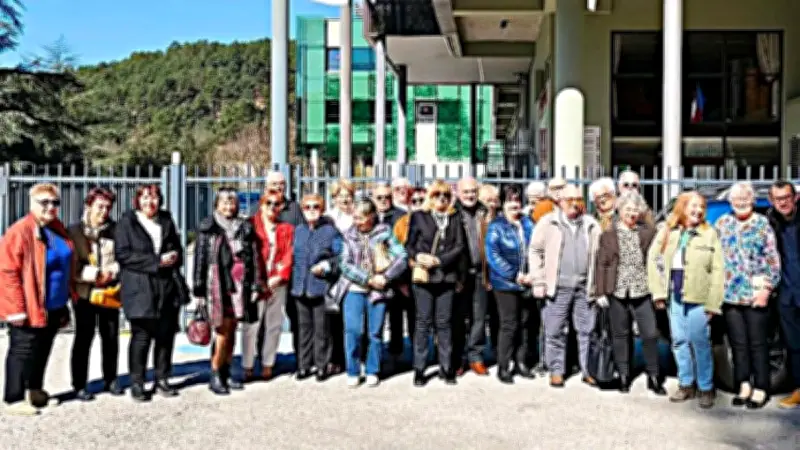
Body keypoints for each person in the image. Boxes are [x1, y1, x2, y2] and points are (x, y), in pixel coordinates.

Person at [0, 183, 75, 416]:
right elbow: (7, 272)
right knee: (22, 350)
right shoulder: (19, 231)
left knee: (43, 348)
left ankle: (34, 389)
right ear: (32, 203)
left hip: (54, 302)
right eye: (44, 202)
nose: (50, 207)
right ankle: (13, 398)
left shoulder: (57, 229)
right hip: (30, 303)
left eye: (55, 203)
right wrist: (16, 309)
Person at [647, 191, 723, 409]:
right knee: (679, 340)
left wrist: (713, 303)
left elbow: (718, 270)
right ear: (682, 207)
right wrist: (658, 292)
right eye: (693, 206)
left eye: (701, 207)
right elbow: (654, 260)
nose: (698, 210)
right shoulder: (668, 232)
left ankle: (706, 387)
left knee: (700, 342)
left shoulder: (709, 234)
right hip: (675, 294)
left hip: (699, 295)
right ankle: (686, 384)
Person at [115, 184, 187, 402]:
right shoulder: (127, 222)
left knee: (165, 337)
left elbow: (177, 247)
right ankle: (137, 382)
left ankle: (162, 378)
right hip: (140, 288)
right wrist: (156, 261)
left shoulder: (165, 220)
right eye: (145, 198)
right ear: (138, 200)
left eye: (154, 197)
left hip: (166, 288)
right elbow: (124, 255)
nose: (150, 202)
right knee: (141, 337)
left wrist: (174, 255)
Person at [715, 182, 781, 409]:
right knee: (738, 344)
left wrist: (767, 289)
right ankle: (743, 385)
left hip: (756, 294)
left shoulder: (762, 224)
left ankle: (761, 387)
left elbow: (772, 259)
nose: (741, 203)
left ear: (753, 201)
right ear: (730, 202)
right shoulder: (723, 223)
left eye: (745, 199)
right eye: (736, 199)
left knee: (758, 343)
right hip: (730, 294)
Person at [329, 199, 407, 387]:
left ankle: (373, 369)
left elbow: (402, 257)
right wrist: (367, 279)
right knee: (353, 330)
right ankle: (353, 369)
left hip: (379, 290)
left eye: (361, 218)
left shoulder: (385, 233)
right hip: (354, 289)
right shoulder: (348, 235)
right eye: (355, 217)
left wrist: (386, 277)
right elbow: (345, 264)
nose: (357, 222)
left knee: (375, 332)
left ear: (371, 217)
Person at [529, 184, 601, 388]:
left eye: (578, 200)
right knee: (554, 330)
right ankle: (556, 370)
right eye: (570, 200)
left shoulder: (591, 225)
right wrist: (538, 280)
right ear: (560, 201)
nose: (574, 204)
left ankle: (589, 370)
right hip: (557, 287)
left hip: (584, 287)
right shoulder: (548, 222)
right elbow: (535, 251)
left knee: (586, 331)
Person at [193, 187, 261, 395]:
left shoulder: (244, 227)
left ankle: (227, 370)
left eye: (232, 202)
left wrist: (256, 284)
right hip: (217, 285)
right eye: (224, 202)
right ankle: (215, 372)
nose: (228, 206)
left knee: (232, 329)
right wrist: (198, 291)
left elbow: (254, 257)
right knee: (221, 330)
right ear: (216, 205)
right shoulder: (208, 227)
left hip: (240, 285)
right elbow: (200, 259)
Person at [595, 191, 664, 395]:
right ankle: (624, 375)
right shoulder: (608, 234)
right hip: (617, 290)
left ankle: (654, 376)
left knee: (650, 334)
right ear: (620, 210)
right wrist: (600, 292)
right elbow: (602, 264)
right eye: (628, 209)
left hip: (642, 290)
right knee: (620, 335)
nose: (632, 213)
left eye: (635, 210)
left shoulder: (647, 232)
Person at [406, 180, 465, 386]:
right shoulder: (419, 217)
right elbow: (409, 245)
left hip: (446, 276)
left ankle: (447, 367)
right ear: (430, 197)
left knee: (444, 323)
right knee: (422, 323)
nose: (442, 199)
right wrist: (420, 257)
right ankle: (419, 368)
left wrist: (441, 260)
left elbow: (459, 246)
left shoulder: (454, 218)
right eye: (437, 195)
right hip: (424, 277)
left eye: (446, 195)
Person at [69, 187, 123, 401]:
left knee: (110, 337)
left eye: (108, 207)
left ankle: (111, 379)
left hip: (109, 291)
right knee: (84, 338)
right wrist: (93, 274)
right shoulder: (74, 231)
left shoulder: (116, 230)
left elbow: (123, 256)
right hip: (85, 292)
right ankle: (79, 383)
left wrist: (113, 271)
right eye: (100, 206)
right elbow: (72, 264)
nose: (104, 211)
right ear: (88, 206)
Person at [485, 185, 535, 384]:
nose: (515, 204)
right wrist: (515, 275)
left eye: (518, 200)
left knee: (525, 324)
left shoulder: (528, 224)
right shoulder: (496, 226)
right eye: (510, 201)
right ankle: (504, 365)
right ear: (503, 205)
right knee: (509, 325)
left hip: (528, 281)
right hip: (505, 283)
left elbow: (537, 248)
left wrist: (532, 274)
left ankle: (522, 362)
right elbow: (493, 255)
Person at [244, 189, 294, 381]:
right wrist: (258, 280)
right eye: (269, 203)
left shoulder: (287, 229)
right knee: (251, 325)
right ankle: (247, 364)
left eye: (277, 204)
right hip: (256, 282)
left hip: (277, 282)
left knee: (274, 324)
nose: (273, 207)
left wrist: (280, 276)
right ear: (262, 205)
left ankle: (268, 363)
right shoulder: (250, 225)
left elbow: (289, 254)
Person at [291, 194, 341, 382]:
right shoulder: (299, 231)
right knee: (303, 329)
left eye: (315, 207)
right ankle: (304, 365)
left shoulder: (330, 232)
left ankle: (321, 365)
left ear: (322, 209)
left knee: (322, 330)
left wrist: (327, 266)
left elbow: (340, 257)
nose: (311, 210)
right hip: (300, 287)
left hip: (321, 286)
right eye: (307, 207)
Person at [766, 180, 800, 409]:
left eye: (786, 197)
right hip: (787, 295)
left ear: (795, 197)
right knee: (794, 345)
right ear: (772, 201)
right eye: (778, 199)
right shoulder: (770, 221)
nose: (783, 202)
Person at [453, 176, 491, 376]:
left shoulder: (485, 212)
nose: (470, 195)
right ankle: (458, 358)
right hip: (460, 273)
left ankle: (475, 356)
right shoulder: (452, 212)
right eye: (466, 192)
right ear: (458, 193)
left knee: (479, 317)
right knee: (459, 318)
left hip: (481, 272)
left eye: (473, 191)